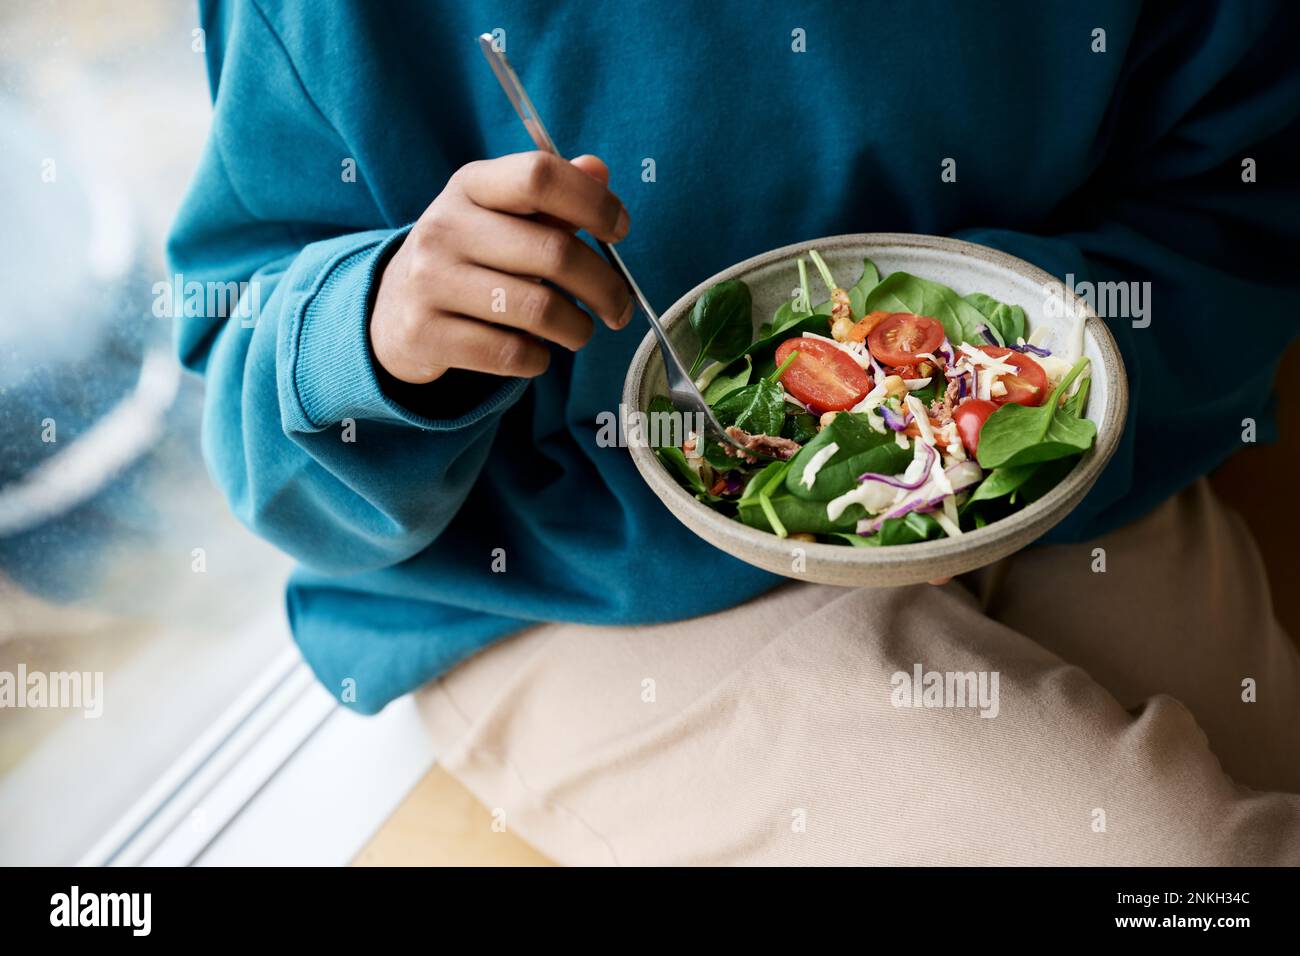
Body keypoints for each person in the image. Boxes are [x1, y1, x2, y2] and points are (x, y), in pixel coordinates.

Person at [170, 0, 1300, 864]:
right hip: (566, 572)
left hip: (1073, 462)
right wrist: (372, 332)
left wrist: (1014, 372)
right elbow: (248, 384)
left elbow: (1236, 193)